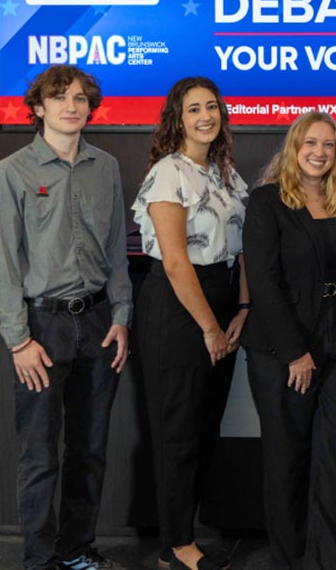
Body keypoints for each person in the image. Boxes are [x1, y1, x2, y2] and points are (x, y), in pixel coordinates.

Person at [0, 65, 132, 570]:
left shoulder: (106, 167)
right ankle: (39, 560)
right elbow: (1, 264)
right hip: (40, 329)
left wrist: (122, 316)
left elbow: (116, 252)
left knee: (89, 450)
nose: (72, 105)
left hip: (97, 324)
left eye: (80, 97)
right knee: (41, 454)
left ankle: (76, 551)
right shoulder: (11, 172)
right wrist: (19, 341)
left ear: (91, 107)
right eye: (59, 96)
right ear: (38, 107)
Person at [241, 110, 336, 570]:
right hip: (282, 348)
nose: (319, 152)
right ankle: (290, 558)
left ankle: (332, 559)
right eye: (310, 143)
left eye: (329, 145)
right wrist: (295, 352)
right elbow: (264, 280)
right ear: (294, 148)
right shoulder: (267, 201)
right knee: (287, 457)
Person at [132, 77, 249, 570]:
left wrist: (241, 309)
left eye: (212, 107)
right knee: (177, 431)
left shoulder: (226, 173)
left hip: (223, 304)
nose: (206, 115)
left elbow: (245, 247)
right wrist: (208, 327)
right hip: (179, 311)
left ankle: (185, 533)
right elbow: (177, 262)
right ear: (177, 119)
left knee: (203, 430)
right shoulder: (167, 173)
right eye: (194, 108)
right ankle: (174, 545)